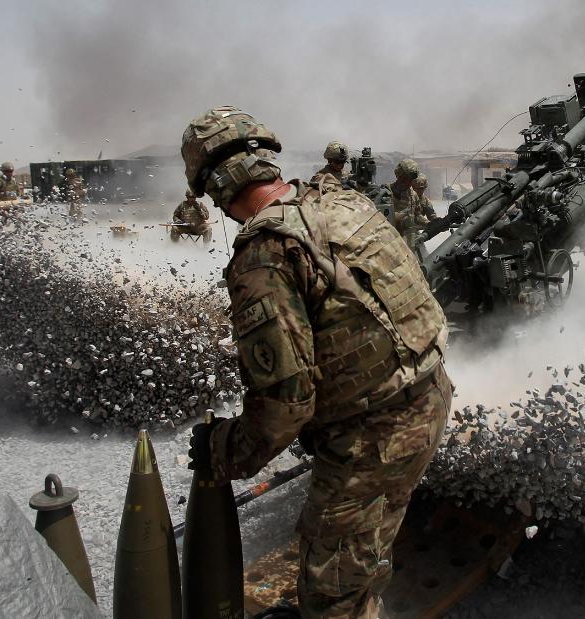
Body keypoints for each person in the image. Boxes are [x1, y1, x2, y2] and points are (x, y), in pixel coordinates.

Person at [181, 106, 450, 618]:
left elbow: (285, 406)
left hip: (376, 438)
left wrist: (226, 451)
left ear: (215, 185)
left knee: (331, 595)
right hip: (429, 396)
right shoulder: (344, 202)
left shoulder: (264, 253)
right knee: (367, 542)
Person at [388, 158, 427, 255]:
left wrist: (430, 223)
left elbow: (417, 216)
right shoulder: (387, 192)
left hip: (410, 244)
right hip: (392, 243)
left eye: (411, 180)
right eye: (405, 179)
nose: (409, 183)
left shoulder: (413, 195)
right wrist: (398, 216)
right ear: (399, 176)